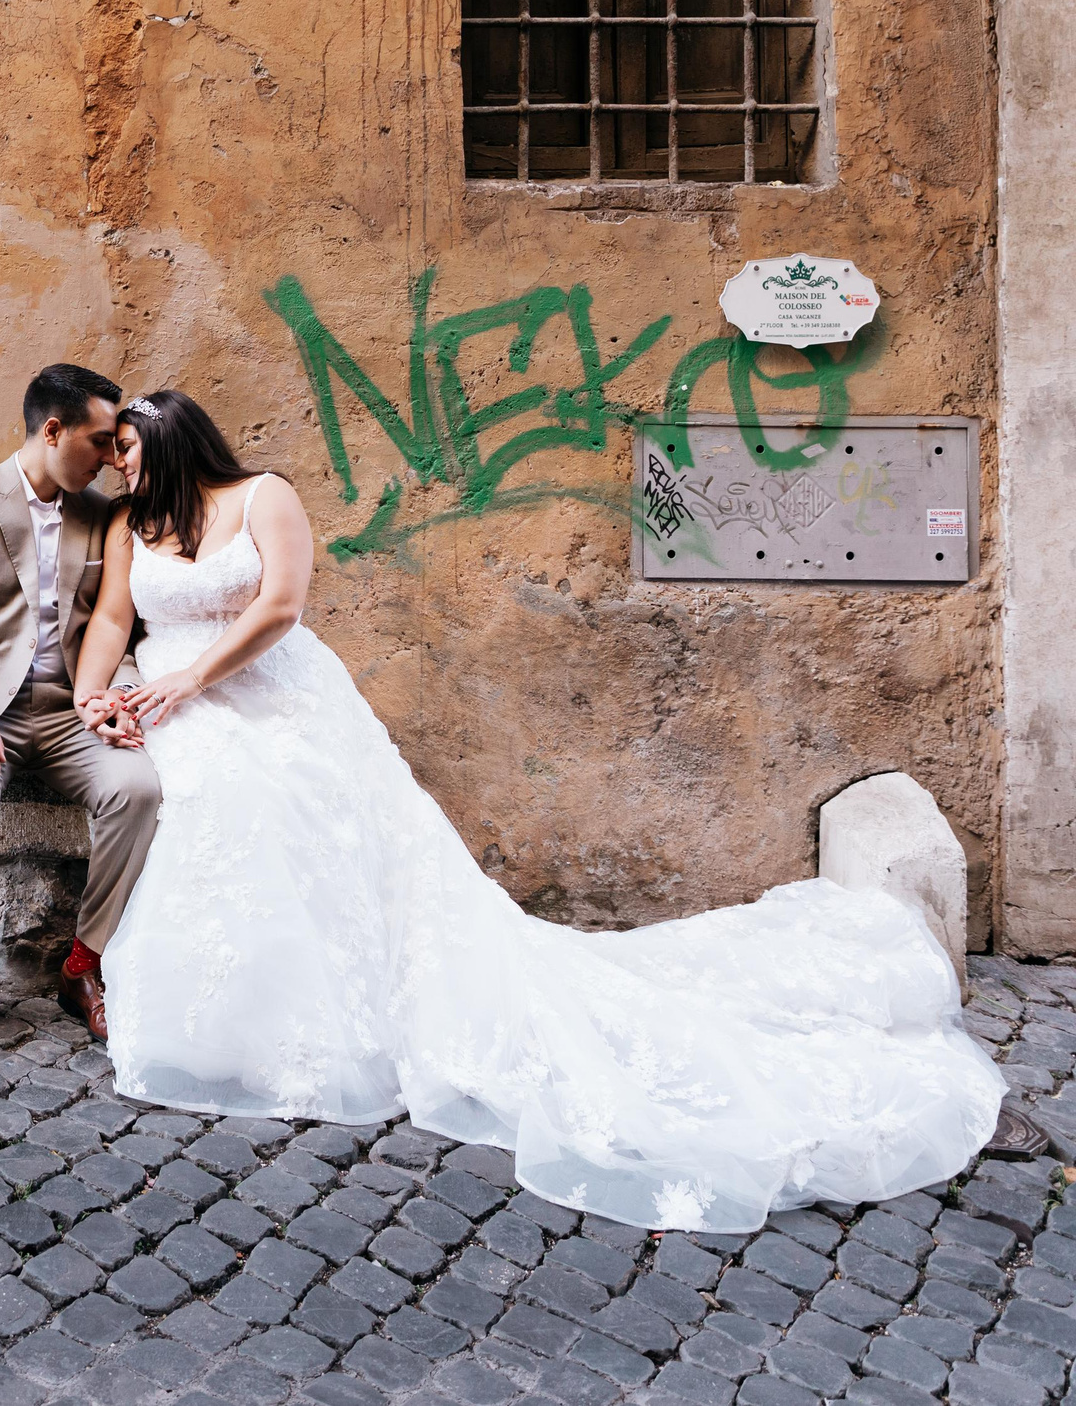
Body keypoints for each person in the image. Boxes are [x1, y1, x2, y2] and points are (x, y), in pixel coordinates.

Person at [67, 387, 1003, 1232]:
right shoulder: (126, 527)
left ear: (172, 442)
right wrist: (94, 695)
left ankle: (334, 1015)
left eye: (131, 452)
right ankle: (234, 1021)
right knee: (210, 800)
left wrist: (192, 677)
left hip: (262, 687)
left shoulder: (262, 496)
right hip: (172, 703)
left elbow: (281, 605)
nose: (119, 467)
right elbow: (113, 621)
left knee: (295, 803)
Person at [0, 364, 163, 1052]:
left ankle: (85, 965)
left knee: (137, 788)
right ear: (52, 430)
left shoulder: (105, 516)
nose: (111, 458)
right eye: (100, 442)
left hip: (74, 708)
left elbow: (122, 627)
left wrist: (116, 696)